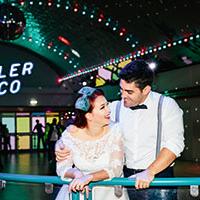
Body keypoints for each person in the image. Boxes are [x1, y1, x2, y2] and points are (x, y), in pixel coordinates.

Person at [56, 60, 185, 200]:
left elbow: (174, 144)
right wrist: (61, 143)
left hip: (158, 177)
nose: (123, 95)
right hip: (125, 179)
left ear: (146, 90)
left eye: (129, 91)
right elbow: (87, 120)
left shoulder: (166, 105)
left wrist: (150, 171)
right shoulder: (115, 107)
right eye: (121, 89)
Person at [55, 86, 128, 200]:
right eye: (102, 107)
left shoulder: (115, 130)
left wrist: (89, 178)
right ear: (89, 115)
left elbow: (116, 168)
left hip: (109, 195)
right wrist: (76, 174)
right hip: (78, 194)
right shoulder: (70, 134)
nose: (108, 110)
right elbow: (62, 168)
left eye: (107, 105)